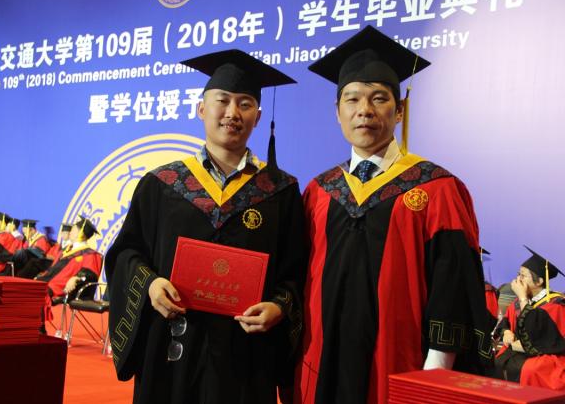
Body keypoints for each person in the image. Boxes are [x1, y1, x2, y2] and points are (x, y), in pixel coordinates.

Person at [295, 26, 492, 404]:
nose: (364, 110)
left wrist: (434, 373)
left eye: (379, 98)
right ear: (337, 113)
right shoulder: (319, 191)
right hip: (322, 364)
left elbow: (453, 287)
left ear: (399, 110)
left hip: (401, 369)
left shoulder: (437, 188)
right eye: (352, 99)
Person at [105, 49, 306, 404]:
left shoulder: (280, 192)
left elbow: (297, 270)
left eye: (245, 104)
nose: (232, 113)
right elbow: (126, 253)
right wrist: (150, 286)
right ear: (201, 109)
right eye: (222, 100)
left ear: (258, 117)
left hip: (246, 355)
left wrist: (278, 307)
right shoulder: (162, 184)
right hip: (170, 350)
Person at [494, 246, 565, 389]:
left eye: (523, 276)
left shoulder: (556, 304)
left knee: (530, 370)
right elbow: (505, 321)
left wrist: (522, 298)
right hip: (518, 351)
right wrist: (506, 332)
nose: (518, 280)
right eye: (518, 274)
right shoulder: (519, 301)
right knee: (498, 361)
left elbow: (542, 336)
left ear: (539, 281)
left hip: (547, 354)